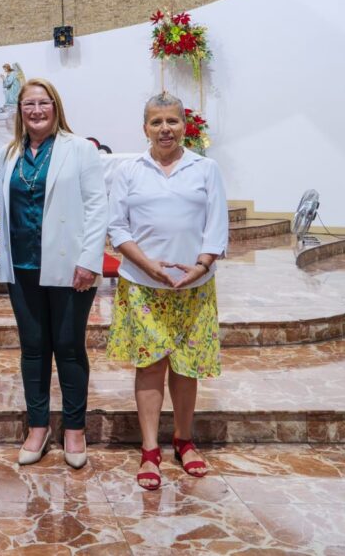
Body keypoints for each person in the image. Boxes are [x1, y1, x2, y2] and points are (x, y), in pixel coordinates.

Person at [106, 92, 228, 491]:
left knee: (187, 366)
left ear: (185, 125)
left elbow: (217, 223)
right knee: (151, 365)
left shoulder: (205, 168)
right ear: (145, 128)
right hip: (143, 286)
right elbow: (117, 227)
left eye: (172, 121)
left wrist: (201, 266)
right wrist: (147, 265)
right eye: (156, 122)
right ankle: (149, 448)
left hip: (194, 285)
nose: (165, 129)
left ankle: (184, 439)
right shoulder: (128, 170)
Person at [0, 78, 108, 467]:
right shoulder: (9, 153)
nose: (36, 110)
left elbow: (97, 206)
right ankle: (38, 427)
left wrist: (89, 259)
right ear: (20, 111)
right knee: (33, 349)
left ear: (56, 107)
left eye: (44, 103)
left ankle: (74, 430)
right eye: (29, 104)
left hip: (69, 266)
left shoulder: (79, 150)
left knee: (69, 346)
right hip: (22, 267)